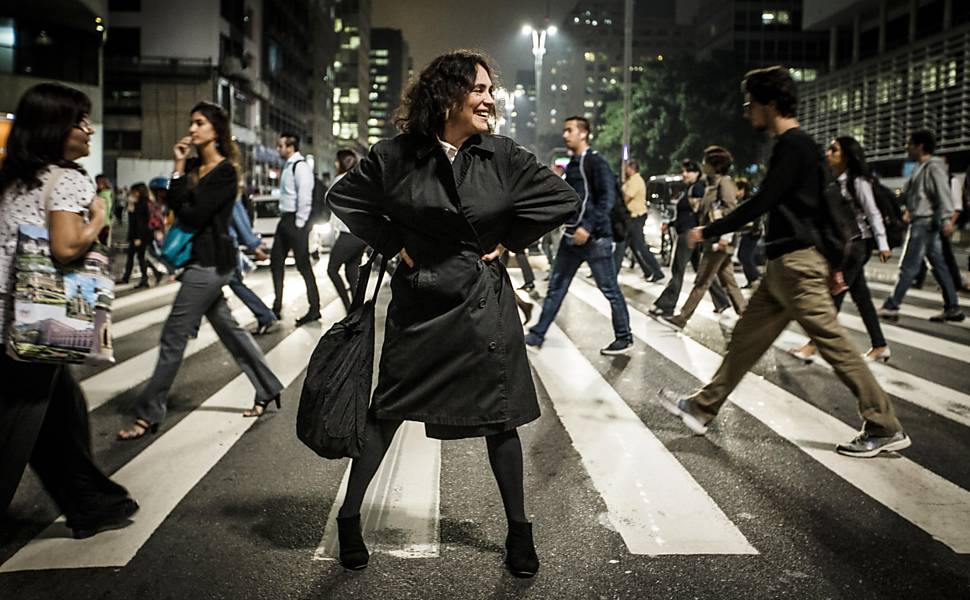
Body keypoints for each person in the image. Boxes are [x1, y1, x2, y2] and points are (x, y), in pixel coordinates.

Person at [327, 50, 578, 576]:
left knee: (500, 419)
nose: (490, 100)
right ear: (446, 98)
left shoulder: (502, 155)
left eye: (492, 90)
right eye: (479, 90)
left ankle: (519, 531)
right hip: (420, 304)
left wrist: (508, 240)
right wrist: (395, 243)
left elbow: (561, 200)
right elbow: (346, 197)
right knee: (386, 411)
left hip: (483, 305)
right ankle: (349, 518)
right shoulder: (395, 155)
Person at [661, 66, 911, 458]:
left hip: (798, 265)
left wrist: (710, 230)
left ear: (770, 104)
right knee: (745, 340)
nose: (747, 112)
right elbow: (820, 209)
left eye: (752, 103)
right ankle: (702, 406)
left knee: (834, 344)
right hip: (784, 266)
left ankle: (884, 424)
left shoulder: (794, 145)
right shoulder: (800, 147)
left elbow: (765, 201)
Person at [0, 83, 138, 539]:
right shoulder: (69, 179)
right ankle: (90, 502)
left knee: (65, 410)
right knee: (20, 424)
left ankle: (92, 503)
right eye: (79, 121)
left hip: (9, 316)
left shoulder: (16, 177)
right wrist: (98, 216)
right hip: (36, 322)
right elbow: (64, 247)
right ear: (55, 128)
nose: (88, 129)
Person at [117, 101, 284, 440]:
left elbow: (192, 215)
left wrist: (182, 189)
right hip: (201, 261)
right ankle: (267, 386)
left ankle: (149, 413)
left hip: (210, 263)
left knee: (172, 336)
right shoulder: (193, 166)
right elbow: (175, 204)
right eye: (191, 123)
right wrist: (179, 167)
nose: (192, 129)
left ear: (215, 130)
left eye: (199, 123)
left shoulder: (225, 172)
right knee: (229, 329)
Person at [524, 116, 634, 355]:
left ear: (583, 134)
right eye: (564, 131)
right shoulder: (573, 164)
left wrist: (588, 227)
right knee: (556, 287)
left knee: (609, 289)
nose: (565, 135)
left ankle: (624, 337)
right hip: (571, 237)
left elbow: (607, 198)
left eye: (569, 130)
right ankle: (537, 335)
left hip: (595, 239)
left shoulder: (596, 162)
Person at [788, 137, 892, 364]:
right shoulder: (835, 180)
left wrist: (883, 244)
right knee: (861, 297)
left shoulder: (858, 182)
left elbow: (873, 213)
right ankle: (880, 345)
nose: (828, 152)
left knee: (833, 295)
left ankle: (812, 347)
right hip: (847, 245)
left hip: (856, 245)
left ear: (846, 156)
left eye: (834, 150)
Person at [878, 131, 963, 323]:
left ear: (920, 146)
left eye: (910, 144)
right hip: (923, 221)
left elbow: (943, 194)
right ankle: (953, 307)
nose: (907, 147)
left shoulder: (933, 167)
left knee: (908, 265)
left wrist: (945, 220)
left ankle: (892, 305)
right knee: (938, 265)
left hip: (924, 223)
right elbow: (911, 196)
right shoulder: (921, 168)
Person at [663, 146, 747, 329]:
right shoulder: (712, 183)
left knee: (702, 280)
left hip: (719, 241)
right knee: (729, 281)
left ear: (714, 165)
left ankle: (682, 317)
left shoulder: (725, 183)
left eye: (705, 162)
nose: (703, 165)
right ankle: (747, 315)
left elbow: (731, 212)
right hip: (714, 238)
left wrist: (725, 238)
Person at [650, 160, 731, 318]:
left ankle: (666, 305)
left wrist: (702, 232)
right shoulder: (691, 188)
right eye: (683, 171)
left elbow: (699, 212)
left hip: (690, 234)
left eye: (688, 171)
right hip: (691, 233)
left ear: (697, 173)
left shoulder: (698, 188)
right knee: (702, 271)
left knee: (678, 270)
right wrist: (672, 223)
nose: (684, 174)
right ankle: (721, 301)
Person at [271, 132, 320, 326]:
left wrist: (299, 224)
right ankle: (276, 307)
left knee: (303, 265)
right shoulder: (288, 166)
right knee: (276, 262)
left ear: (290, 147)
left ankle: (314, 308)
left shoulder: (300, 167)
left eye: (280, 146)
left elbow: (305, 196)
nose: (278, 149)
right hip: (285, 220)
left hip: (294, 222)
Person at [228, 197, 280, 335]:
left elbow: (238, 217)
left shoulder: (222, 187)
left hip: (224, 247)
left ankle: (266, 316)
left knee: (234, 283)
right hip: (219, 246)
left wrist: (253, 244)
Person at [326, 149, 369, 312]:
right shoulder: (362, 180)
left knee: (332, 269)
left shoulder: (340, 179)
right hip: (362, 235)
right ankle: (357, 310)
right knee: (351, 270)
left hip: (348, 233)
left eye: (337, 161)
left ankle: (348, 308)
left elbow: (330, 203)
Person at [613, 159, 665, 282]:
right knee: (633, 246)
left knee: (633, 246)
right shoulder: (631, 181)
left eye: (627, 168)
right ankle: (650, 271)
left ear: (632, 168)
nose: (625, 170)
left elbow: (626, 198)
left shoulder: (636, 181)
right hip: (631, 217)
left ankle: (656, 271)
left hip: (636, 217)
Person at [119, 182, 164, 288]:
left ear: (138, 192)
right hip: (141, 235)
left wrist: (138, 237)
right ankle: (150, 275)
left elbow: (140, 222)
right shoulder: (142, 203)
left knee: (140, 257)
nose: (131, 193)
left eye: (133, 191)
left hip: (140, 235)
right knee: (137, 256)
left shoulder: (141, 204)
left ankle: (143, 279)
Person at [733, 177, 763, 288]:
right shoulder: (744, 199)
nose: (735, 193)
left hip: (753, 231)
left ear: (742, 189)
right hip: (747, 231)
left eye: (736, 190)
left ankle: (756, 277)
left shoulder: (750, 199)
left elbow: (757, 214)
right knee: (743, 255)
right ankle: (752, 280)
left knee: (745, 256)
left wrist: (756, 228)